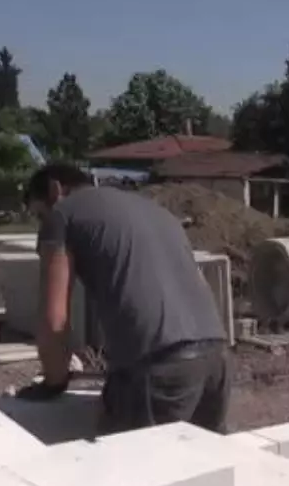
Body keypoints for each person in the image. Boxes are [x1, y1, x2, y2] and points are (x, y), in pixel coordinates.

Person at [15, 163, 231, 434]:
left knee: (125, 470)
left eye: (38, 214)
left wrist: (54, 382)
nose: (41, 222)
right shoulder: (156, 212)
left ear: (55, 189)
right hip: (216, 358)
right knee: (205, 469)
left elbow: (54, 319)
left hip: (159, 367)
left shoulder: (61, 215)